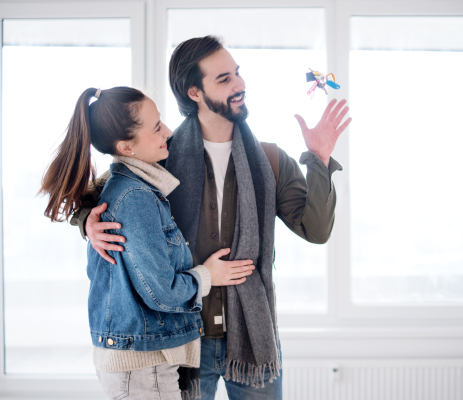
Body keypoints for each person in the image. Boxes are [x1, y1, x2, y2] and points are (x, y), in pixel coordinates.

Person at [72, 36, 351, 400]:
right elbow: (100, 197)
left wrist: (320, 158)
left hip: (252, 340)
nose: (239, 85)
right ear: (194, 93)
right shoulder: (156, 158)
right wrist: (87, 223)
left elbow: (316, 230)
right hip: (183, 342)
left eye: (237, 74)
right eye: (224, 79)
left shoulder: (271, 160)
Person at [40, 87, 255, 400]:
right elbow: (162, 292)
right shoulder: (135, 196)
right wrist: (209, 275)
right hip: (142, 364)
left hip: (139, 357)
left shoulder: (134, 181)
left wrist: (87, 218)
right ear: (127, 146)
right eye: (157, 127)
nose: (168, 131)